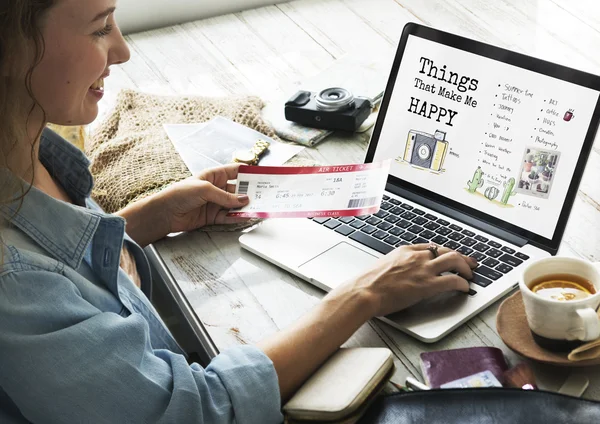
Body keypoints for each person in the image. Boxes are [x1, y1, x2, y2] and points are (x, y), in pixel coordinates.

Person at [0, 1, 477, 423]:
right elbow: (198, 411)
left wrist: (149, 219)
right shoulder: (14, 286)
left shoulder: (30, 149)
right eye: (100, 27)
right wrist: (362, 295)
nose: (122, 50)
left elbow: (67, 267)